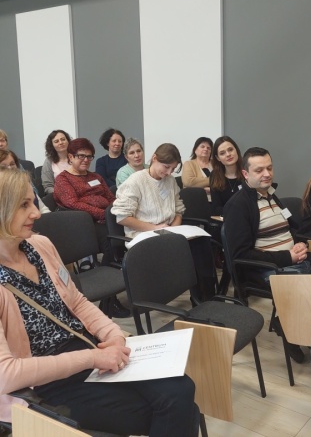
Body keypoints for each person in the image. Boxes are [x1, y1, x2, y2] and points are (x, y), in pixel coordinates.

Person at [0, 168, 198, 436]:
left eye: (33, 202)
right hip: (44, 379)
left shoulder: (40, 245)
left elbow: (77, 302)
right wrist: (92, 357)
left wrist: (114, 335)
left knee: (181, 389)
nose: (36, 213)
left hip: (86, 346)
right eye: (24, 205)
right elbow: (6, 374)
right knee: (169, 408)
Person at [223, 147, 311, 362]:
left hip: (301, 260)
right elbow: (241, 255)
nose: (267, 174)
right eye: (259, 170)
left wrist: (300, 243)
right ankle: (295, 335)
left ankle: (293, 327)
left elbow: (292, 228)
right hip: (272, 269)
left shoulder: (271, 195)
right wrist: (288, 257)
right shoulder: (238, 206)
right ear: (245, 174)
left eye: (269, 168)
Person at [112, 143, 216, 301]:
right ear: (154, 158)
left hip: (167, 230)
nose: (168, 173)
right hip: (143, 234)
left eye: (173, 169)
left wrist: (174, 228)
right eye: (166, 167)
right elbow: (122, 217)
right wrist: (155, 227)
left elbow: (178, 210)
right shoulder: (136, 181)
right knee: (193, 252)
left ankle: (206, 298)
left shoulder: (170, 180)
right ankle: (202, 299)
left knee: (202, 243)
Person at [53, 138, 127, 317]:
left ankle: (111, 295)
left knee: (127, 237)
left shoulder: (95, 177)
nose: (86, 160)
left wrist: (116, 211)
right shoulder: (63, 179)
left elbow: (110, 198)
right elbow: (73, 204)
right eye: (81, 156)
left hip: (106, 220)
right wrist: (103, 214)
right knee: (112, 243)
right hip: (83, 225)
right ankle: (110, 299)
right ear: (70, 157)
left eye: (89, 156)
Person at [0, 150, 50, 214]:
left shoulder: (25, 185)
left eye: (12, 164)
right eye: (3, 166)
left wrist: (48, 218)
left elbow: (43, 209)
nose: (9, 168)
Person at [210, 136, 244, 216]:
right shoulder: (215, 175)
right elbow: (216, 207)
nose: (228, 154)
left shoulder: (248, 171)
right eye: (222, 153)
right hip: (226, 219)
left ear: (236, 150)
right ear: (218, 158)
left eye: (230, 150)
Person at [41, 129, 72, 194]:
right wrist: (62, 194)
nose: (61, 143)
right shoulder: (48, 162)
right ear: (52, 145)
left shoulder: (76, 157)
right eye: (56, 141)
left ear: (68, 141)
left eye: (63, 139)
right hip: (59, 196)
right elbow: (48, 186)